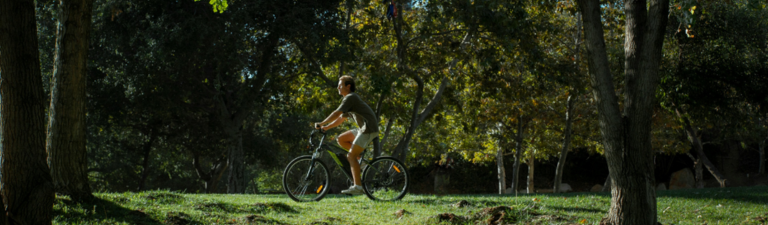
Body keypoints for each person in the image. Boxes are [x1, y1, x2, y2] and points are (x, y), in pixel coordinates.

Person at [314, 75, 379, 195]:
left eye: (340, 84)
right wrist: (326, 127)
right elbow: (340, 118)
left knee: (350, 156)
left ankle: (358, 187)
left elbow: (336, 112)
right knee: (341, 139)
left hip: (368, 128)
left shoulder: (351, 97)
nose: (338, 87)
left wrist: (321, 123)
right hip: (363, 128)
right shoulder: (349, 99)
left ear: (348, 86)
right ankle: (361, 162)